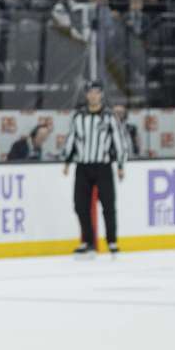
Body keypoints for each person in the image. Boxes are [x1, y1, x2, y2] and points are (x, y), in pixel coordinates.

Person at [62, 80, 127, 257]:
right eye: (90, 92)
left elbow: (119, 141)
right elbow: (71, 139)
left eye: (96, 92)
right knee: (80, 205)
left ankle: (112, 242)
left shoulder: (109, 117)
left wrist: (121, 165)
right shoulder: (78, 117)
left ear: (102, 94)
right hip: (83, 166)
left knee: (108, 205)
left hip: (103, 166)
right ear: (86, 94)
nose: (93, 95)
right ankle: (88, 242)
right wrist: (67, 161)